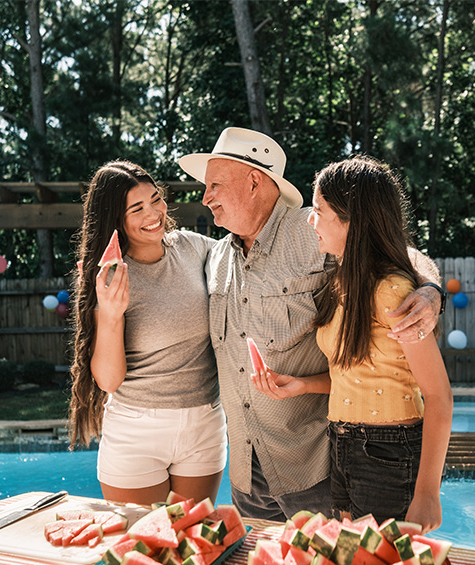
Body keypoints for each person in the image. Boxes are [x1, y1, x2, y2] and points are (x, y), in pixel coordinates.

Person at [178, 128, 445, 522]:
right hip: (247, 476)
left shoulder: (313, 228)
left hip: (315, 467)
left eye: (215, 184)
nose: (205, 197)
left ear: (254, 181)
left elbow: (392, 250)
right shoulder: (214, 258)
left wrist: (430, 289)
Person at [251, 156, 453, 533]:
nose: (311, 219)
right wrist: (303, 385)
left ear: (352, 220)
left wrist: (427, 493)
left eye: (320, 210)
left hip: (388, 452)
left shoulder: (393, 292)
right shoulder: (341, 281)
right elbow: (355, 373)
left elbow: (439, 395)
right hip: (342, 445)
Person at [68, 161, 227, 506]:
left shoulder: (194, 249)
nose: (154, 213)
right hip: (136, 431)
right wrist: (110, 314)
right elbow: (109, 381)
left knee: (195, 548)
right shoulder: (109, 277)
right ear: (115, 219)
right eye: (137, 208)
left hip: (204, 422)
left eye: (156, 199)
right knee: (141, 546)